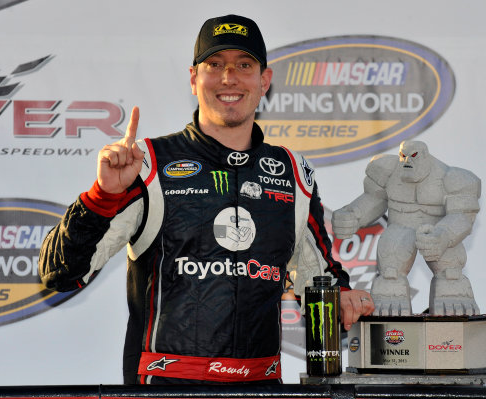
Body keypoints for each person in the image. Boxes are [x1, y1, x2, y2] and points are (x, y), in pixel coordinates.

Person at [38, 14, 375, 385]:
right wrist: (103, 196)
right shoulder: (148, 164)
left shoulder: (291, 171)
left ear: (265, 80)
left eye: (243, 65)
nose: (228, 78)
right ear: (194, 78)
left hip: (262, 389)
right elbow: (60, 273)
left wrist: (342, 295)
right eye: (214, 65)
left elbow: (320, 278)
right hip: (167, 389)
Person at [332, 140, 480, 316]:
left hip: (438, 229)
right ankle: (390, 294)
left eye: (414, 156)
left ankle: (453, 291)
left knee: (450, 271)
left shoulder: (453, 177)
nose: (407, 161)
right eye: (403, 156)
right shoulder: (387, 171)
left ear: (426, 155)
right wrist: (353, 215)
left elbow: (462, 215)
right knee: (390, 273)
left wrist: (444, 235)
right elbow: (374, 198)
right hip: (400, 228)